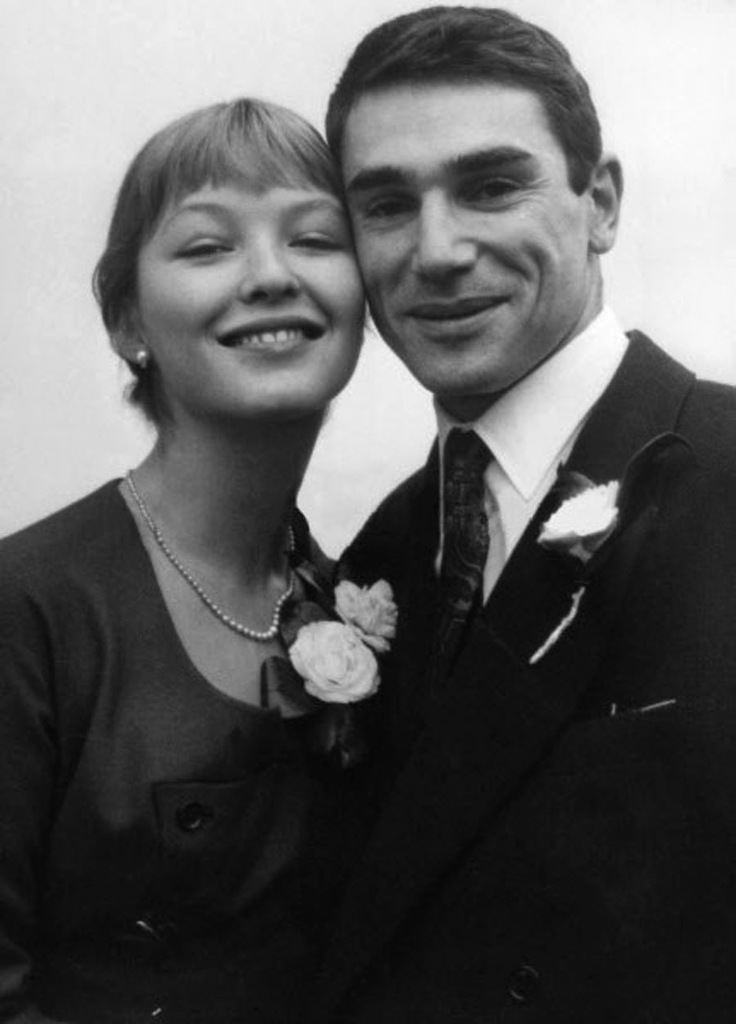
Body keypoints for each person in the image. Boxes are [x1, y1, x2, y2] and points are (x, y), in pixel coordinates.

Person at [310, 7, 736, 1022]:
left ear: (601, 203)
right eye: (385, 204)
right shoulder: (381, 551)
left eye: (490, 186)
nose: (438, 250)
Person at [0, 97, 369, 1023]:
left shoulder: (355, 583)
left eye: (316, 239)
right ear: (129, 318)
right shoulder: (28, 610)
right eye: (208, 248)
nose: (271, 276)